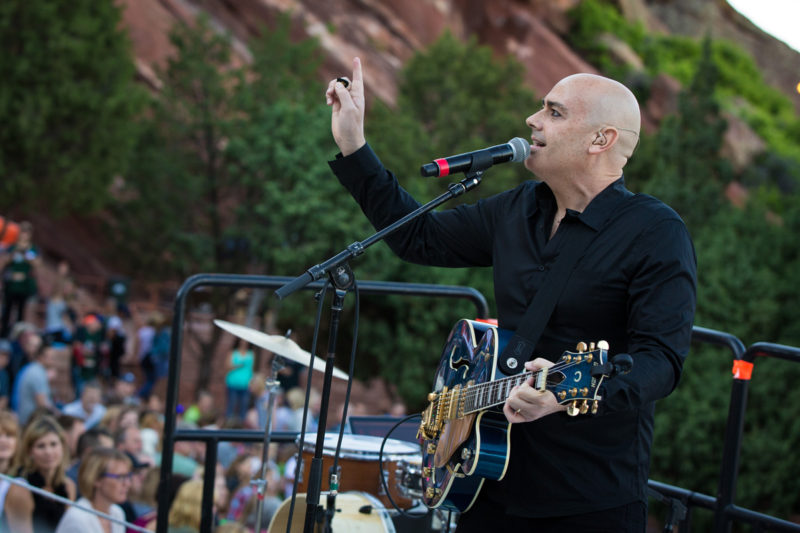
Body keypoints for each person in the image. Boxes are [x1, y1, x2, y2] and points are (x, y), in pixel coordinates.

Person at [325, 58, 697, 532]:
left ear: (600, 140)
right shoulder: (518, 208)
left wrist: (568, 395)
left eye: (554, 112)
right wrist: (355, 147)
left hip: (584, 497)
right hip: (486, 480)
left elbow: (662, 360)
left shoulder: (655, 231)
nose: (532, 120)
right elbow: (417, 237)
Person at [5, 415, 77, 532]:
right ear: (29, 452)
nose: (48, 452)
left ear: (62, 447)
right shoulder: (20, 488)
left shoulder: (69, 486)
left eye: (53, 444)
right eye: (41, 446)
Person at [55, 447, 132, 533]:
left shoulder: (117, 513)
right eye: (120, 477)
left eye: (127, 476)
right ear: (96, 479)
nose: (127, 483)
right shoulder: (77, 518)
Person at [0, 221, 40, 339]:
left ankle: (17, 338)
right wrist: (13, 254)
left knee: (21, 314)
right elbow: (4, 262)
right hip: (11, 284)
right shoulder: (13, 246)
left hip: (24, 285)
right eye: (22, 232)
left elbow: (37, 263)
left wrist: (27, 255)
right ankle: (3, 336)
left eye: (26, 232)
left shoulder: (32, 248)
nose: (24, 235)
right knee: (7, 312)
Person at [224, 339, 254, 422]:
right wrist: (238, 365)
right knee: (231, 405)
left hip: (245, 385)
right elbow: (227, 366)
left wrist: (252, 383)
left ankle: (241, 425)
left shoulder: (251, 354)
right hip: (232, 384)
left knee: (243, 406)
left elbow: (251, 369)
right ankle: (228, 424)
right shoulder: (233, 353)